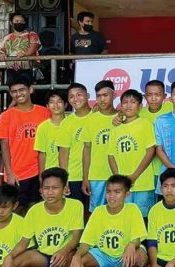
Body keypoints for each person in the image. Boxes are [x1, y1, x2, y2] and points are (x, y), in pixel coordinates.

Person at [68, 175, 148, 267]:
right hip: (104, 254)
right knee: (79, 259)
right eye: (109, 192)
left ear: (126, 194)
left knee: (141, 257)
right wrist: (77, 255)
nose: (112, 196)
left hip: (125, 254)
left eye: (117, 192)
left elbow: (137, 239)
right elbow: (86, 242)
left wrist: (132, 245)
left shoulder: (133, 209)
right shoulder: (98, 211)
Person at [14, 167, 83, 267]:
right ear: (41, 190)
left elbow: (76, 237)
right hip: (44, 256)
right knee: (14, 264)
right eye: (46, 188)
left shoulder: (75, 205)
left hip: (66, 253)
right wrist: (8, 259)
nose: (50, 192)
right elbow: (24, 243)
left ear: (64, 189)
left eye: (54, 188)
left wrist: (64, 251)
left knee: (77, 258)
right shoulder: (34, 210)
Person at [0, 77, 50, 215]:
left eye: (21, 90)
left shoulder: (44, 112)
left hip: (41, 170)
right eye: (14, 91)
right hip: (18, 172)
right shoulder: (6, 116)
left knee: (39, 209)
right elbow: (4, 146)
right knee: (18, 210)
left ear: (30, 90)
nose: (18, 94)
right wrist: (9, 173)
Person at [107, 89, 156, 219]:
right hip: (122, 185)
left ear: (140, 106)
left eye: (133, 102)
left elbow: (150, 151)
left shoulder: (145, 124)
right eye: (125, 102)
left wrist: (134, 176)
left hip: (143, 182)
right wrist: (118, 178)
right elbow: (111, 155)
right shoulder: (115, 128)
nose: (128, 105)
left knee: (142, 217)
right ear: (120, 106)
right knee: (124, 217)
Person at [80, 80, 118, 212]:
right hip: (97, 175)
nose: (102, 99)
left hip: (118, 174)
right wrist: (85, 177)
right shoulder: (91, 120)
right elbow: (86, 150)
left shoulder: (123, 117)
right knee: (97, 213)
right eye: (99, 96)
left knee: (119, 211)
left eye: (105, 95)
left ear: (114, 95)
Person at [57, 83, 91, 211]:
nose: (75, 99)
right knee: (78, 213)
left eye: (79, 95)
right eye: (71, 97)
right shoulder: (67, 123)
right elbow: (63, 153)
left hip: (98, 175)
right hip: (75, 175)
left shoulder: (98, 116)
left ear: (87, 96)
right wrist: (64, 180)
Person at [0, 13, 40, 85]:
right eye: (16, 21)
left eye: (21, 21)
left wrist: (24, 54)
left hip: (27, 70)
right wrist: (0, 53)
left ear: (25, 23)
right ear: (11, 23)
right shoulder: (7, 37)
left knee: (25, 90)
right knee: (12, 91)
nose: (19, 23)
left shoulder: (32, 34)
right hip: (11, 70)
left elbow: (34, 47)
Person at [35, 91, 67, 173]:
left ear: (66, 104)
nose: (55, 105)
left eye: (59, 101)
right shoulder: (42, 127)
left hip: (72, 172)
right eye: (52, 102)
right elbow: (42, 154)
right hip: (50, 172)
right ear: (47, 106)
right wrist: (41, 175)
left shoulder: (72, 124)